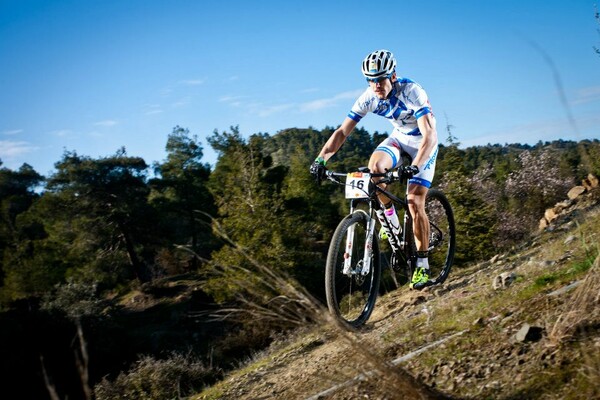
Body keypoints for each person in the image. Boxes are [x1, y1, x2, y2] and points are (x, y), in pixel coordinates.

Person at [310, 49, 439, 290]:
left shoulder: (412, 91)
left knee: (414, 202)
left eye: (380, 79)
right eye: (370, 80)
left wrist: (414, 167)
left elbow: (429, 134)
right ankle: (391, 222)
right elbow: (342, 132)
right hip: (399, 138)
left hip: (423, 144)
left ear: (392, 76)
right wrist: (321, 159)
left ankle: (422, 266)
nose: (376, 85)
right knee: (375, 169)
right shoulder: (368, 97)